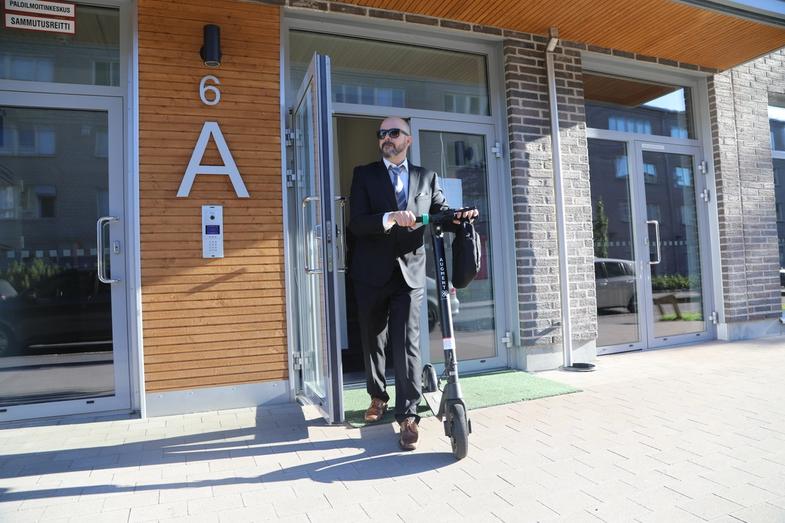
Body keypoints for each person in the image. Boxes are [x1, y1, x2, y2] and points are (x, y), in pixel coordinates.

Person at [348, 116, 478, 450]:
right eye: (381, 134)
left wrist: (459, 216)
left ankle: (407, 416)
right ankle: (378, 397)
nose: (386, 138)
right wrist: (389, 218)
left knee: (407, 342)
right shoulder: (364, 174)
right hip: (371, 271)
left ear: (408, 139)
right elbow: (357, 224)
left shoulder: (426, 177)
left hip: (411, 273)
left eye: (393, 133)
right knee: (373, 337)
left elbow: (441, 213)